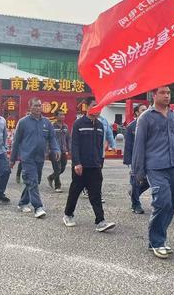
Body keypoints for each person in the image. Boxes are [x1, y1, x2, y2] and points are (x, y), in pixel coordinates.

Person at [131, 86, 174, 259]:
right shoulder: (146, 118)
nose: (167, 96)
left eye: (168, 93)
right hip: (155, 167)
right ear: (154, 95)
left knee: (171, 204)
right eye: (163, 93)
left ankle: (157, 238)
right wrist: (137, 171)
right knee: (162, 201)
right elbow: (139, 145)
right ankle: (157, 241)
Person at [63, 98, 115, 232]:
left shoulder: (100, 125)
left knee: (96, 194)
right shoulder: (78, 124)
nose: (97, 109)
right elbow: (74, 145)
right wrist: (77, 163)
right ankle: (68, 214)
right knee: (75, 192)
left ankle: (100, 221)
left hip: (95, 165)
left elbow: (99, 146)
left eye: (99, 107)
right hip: (81, 166)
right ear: (87, 107)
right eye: (94, 106)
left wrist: (99, 162)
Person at [10, 98, 60, 218]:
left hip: (39, 157)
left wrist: (56, 149)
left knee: (34, 181)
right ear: (30, 107)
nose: (38, 108)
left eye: (39, 106)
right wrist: (12, 159)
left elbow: (52, 138)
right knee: (32, 181)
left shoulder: (46, 122)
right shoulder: (23, 122)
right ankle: (38, 207)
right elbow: (16, 142)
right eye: (36, 106)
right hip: (27, 157)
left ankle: (22, 203)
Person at [123, 104, 148, 214]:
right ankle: (136, 204)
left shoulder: (149, 124)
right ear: (136, 112)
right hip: (136, 159)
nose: (145, 111)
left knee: (149, 181)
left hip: (149, 158)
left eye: (146, 110)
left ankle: (134, 193)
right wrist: (128, 160)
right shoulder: (131, 127)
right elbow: (128, 145)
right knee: (136, 181)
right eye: (142, 110)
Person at [47, 110, 71, 193]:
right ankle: (58, 186)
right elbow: (48, 139)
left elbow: (68, 139)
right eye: (60, 115)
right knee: (57, 168)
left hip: (63, 151)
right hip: (54, 151)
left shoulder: (65, 127)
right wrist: (48, 150)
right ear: (56, 116)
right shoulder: (52, 126)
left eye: (63, 115)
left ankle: (51, 177)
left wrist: (69, 149)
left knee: (62, 168)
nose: (62, 116)